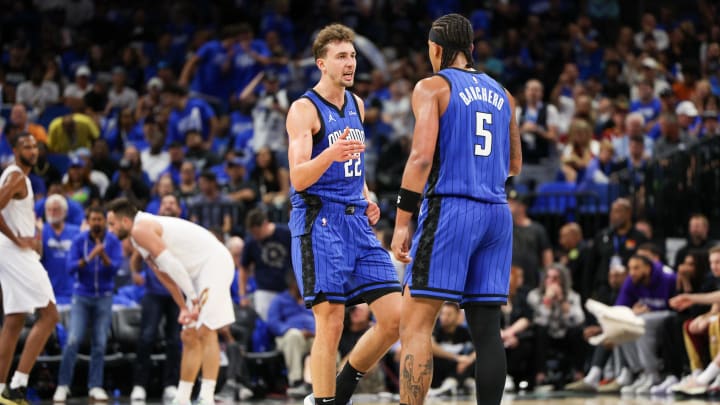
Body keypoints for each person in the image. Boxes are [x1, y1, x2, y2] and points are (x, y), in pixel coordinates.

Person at [390, 13, 521, 405]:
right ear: (471, 49)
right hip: (497, 213)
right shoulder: (504, 94)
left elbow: (419, 159)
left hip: (452, 209)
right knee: (487, 330)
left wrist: (401, 222)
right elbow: (514, 165)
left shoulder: (432, 87)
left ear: (435, 48)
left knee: (415, 324)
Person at [285, 23, 402, 405]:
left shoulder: (358, 105)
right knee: (331, 320)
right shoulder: (304, 109)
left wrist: (366, 195)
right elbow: (299, 177)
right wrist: (330, 154)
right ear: (322, 63)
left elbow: (357, 165)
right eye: (341, 56)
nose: (350, 63)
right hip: (320, 221)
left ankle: (343, 388)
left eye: (352, 55)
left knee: (395, 319)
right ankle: (322, 401)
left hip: (356, 221)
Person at [105, 197, 235, 405]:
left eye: (112, 224)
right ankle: (182, 397)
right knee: (189, 335)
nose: (109, 230)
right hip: (196, 275)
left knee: (206, 329)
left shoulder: (141, 229)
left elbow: (172, 264)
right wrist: (184, 306)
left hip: (213, 263)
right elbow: (163, 274)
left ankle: (206, 397)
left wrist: (192, 298)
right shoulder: (136, 237)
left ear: (125, 222)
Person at [0, 132, 59, 403]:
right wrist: (18, 239)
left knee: (14, 322)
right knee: (49, 315)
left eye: (35, 146)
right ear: (15, 150)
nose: (33, 151)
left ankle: (1, 391)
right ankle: (18, 384)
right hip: (14, 253)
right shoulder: (16, 177)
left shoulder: (15, 176)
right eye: (27, 146)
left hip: (8, 252)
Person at [53, 207, 123, 403]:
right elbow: (70, 268)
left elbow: (115, 269)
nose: (97, 223)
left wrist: (104, 256)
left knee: (100, 343)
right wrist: (91, 256)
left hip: (104, 296)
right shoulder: (78, 240)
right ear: (88, 221)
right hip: (81, 296)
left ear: (104, 222)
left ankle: (95, 386)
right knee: (73, 340)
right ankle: (63, 385)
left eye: (100, 219)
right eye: (93, 219)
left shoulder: (113, 241)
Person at [128, 194, 183, 403]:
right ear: (160, 207)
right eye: (165, 202)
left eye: (172, 202)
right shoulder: (152, 227)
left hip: (176, 293)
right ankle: (139, 385)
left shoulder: (182, 229)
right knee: (147, 337)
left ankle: (170, 385)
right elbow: (136, 257)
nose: (168, 205)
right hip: (153, 292)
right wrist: (136, 274)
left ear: (178, 208)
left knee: (174, 340)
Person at [239, 208, 291, 320]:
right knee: (265, 323)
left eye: (257, 233)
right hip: (264, 290)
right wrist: (242, 295)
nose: (256, 236)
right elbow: (243, 268)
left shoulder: (286, 234)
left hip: (287, 289)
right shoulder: (251, 242)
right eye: (253, 233)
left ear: (265, 224)